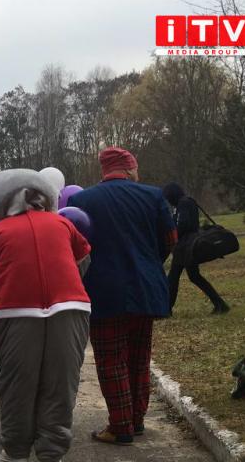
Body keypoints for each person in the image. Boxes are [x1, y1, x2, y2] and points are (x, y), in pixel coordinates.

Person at [0, 168, 91, 462]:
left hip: (14, 313)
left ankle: (17, 451)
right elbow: (82, 261)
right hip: (70, 308)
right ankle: (51, 454)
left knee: (17, 384)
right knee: (61, 382)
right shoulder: (63, 224)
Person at [69, 147, 176, 445]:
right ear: (129, 168)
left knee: (110, 360)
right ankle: (136, 419)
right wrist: (149, 262)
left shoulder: (82, 201)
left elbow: (76, 249)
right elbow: (170, 240)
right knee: (139, 358)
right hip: (146, 288)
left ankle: (120, 425)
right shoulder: (153, 196)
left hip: (104, 290)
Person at [163, 183, 229, 314]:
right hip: (187, 246)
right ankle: (220, 304)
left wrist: (173, 235)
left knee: (174, 277)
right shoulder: (186, 202)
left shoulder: (183, 203)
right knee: (193, 276)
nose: (168, 201)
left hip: (185, 246)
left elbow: (183, 224)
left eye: (168, 197)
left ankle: (166, 309)